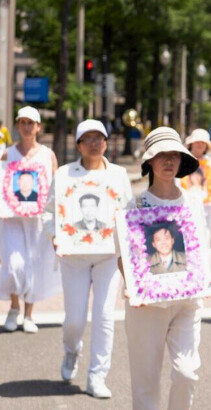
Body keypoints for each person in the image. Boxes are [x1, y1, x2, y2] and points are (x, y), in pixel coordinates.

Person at [118, 127, 211, 410]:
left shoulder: (192, 200)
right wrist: (131, 285)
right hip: (147, 306)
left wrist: (206, 274)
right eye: (161, 156)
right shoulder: (134, 205)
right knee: (145, 383)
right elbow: (123, 256)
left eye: (174, 155)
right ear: (149, 162)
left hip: (187, 302)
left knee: (187, 372)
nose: (168, 161)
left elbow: (200, 247)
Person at [45, 119, 133, 398]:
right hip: (74, 256)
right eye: (88, 138)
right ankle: (72, 350)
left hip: (108, 255)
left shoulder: (118, 175)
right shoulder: (64, 174)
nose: (95, 143)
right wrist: (55, 236)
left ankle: (97, 374)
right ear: (79, 144)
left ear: (107, 142)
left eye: (100, 138)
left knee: (105, 316)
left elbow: (129, 214)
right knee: (75, 320)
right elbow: (49, 213)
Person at [1, 106, 60, 333]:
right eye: (22, 122)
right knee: (14, 265)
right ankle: (14, 307)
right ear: (18, 125)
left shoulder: (47, 155)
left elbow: (55, 186)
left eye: (31, 123)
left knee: (34, 264)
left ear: (38, 127)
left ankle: (28, 314)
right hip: (12, 219)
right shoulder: (7, 154)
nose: (27, 127)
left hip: (37, 219)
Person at [184, 129, 211, 250]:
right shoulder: (183, 161)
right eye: (197, 142)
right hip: (187, 206)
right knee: (188, 239)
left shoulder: (210, 162)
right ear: (191, 144)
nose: (199, 145)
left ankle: (204, 266)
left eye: (202, 143)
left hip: (206, 206)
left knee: (205, 238)